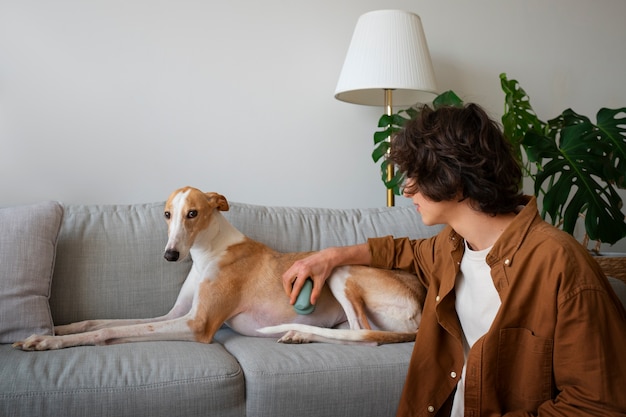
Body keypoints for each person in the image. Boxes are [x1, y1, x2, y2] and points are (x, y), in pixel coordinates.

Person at [282, 103, 626, 416]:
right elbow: (402, 252)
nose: (407, 190)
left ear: (454, 178)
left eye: (417, 176)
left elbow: (598, 404)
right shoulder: (451, 246)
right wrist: (328, 257)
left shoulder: (561, 265)